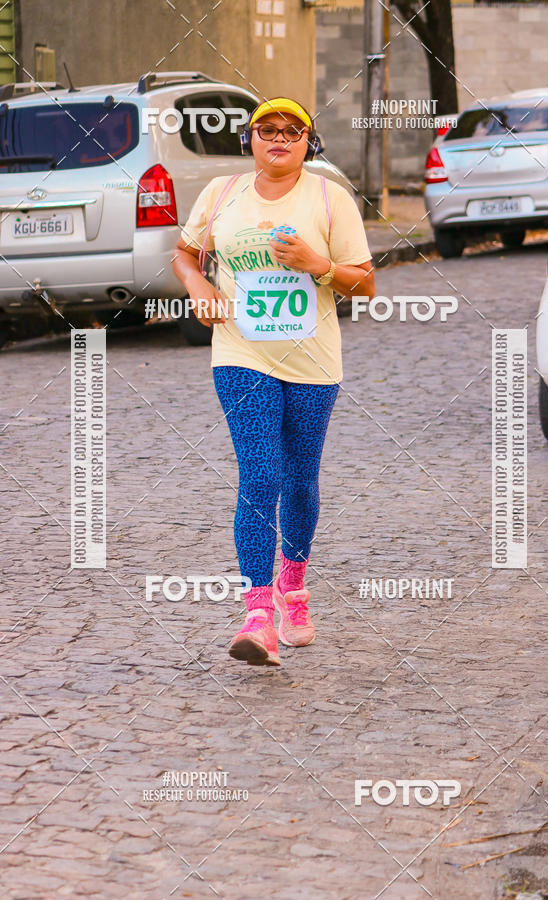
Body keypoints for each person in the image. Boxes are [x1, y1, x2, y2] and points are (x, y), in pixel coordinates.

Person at [172, 97, 375, 667]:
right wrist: (198, 287)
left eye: (293, 131)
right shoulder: (220, 193)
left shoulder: (332, 199)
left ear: (309, 142)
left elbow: (366, 285)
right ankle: (258, 614)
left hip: (313, 362)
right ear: (250, 139)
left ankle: (294, 585)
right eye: (267, 129)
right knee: (259, 474)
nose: (279, 138)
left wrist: (319, 265)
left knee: (301, 479)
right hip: (239, 353)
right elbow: (185, 255)